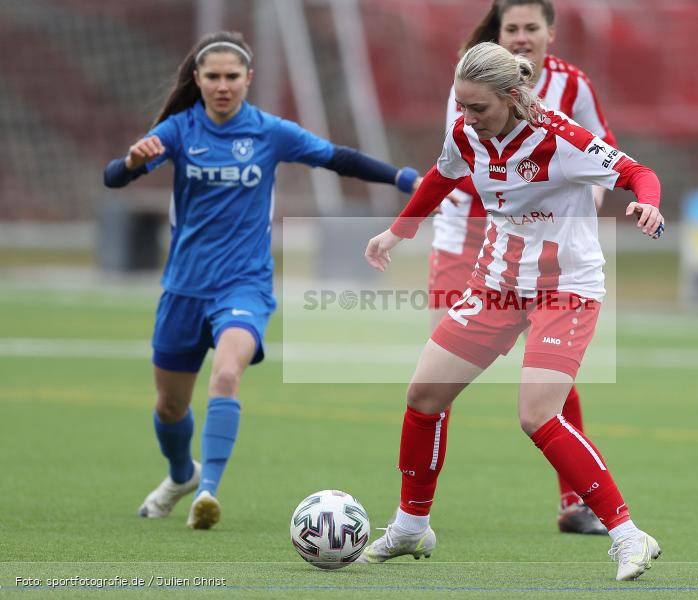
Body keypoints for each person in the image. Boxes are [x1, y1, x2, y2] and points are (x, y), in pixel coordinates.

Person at [361, 43, 663, 581]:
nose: (467, 117)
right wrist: (396, 232)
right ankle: (411, 525)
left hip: (565, 288)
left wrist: (648, 203)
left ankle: (626, 534)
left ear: (511, 96)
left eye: (478, 107)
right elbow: (440, 177)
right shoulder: (465, 132)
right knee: (424, 395)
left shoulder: (559, 137)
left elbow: (637, 172)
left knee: (536, 415)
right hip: (497, 282)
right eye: (461, 104)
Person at [103, 31, 420, 530]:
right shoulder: (179, 131)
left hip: (244, 286)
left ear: (248, 79)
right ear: (198, 80)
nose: (223, 85)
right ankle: (182, 474)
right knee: (169, 406)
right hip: (182, 290)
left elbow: (336, 157)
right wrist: (131, 164)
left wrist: (405, 179)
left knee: (227, 375)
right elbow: (113, 178)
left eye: (233, 76)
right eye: (213, 77)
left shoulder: (270, 132)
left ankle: (207, 491)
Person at [429, 0, 618, 535]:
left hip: (540, 245)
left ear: (549, 34)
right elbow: (460, 162)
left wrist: (587, 199)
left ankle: (576, 501)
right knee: (438, 376)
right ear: (499, 32)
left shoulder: (573, 85)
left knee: (548, 369)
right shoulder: (472, 82)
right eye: (511, 27)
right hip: (466, 236)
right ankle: (416, 511)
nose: (520, 36)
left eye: (530, 27)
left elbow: (603, 153)